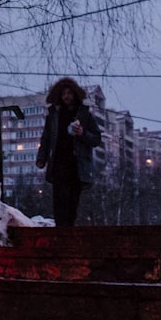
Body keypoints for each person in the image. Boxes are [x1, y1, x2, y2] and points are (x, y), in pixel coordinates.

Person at [35, 77, 102, 227]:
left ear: (75, 95)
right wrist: (42, 158)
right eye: (63, 93)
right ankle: (61, 229)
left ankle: (69, 229)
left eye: (69, 93)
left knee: (73, 199)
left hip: (77, 165)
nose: (66, 96)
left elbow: (96, 139)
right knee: (59, 199)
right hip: (58, 163)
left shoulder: (84, 115)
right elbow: (46, 138)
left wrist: (83, 133)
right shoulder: (54, 115)